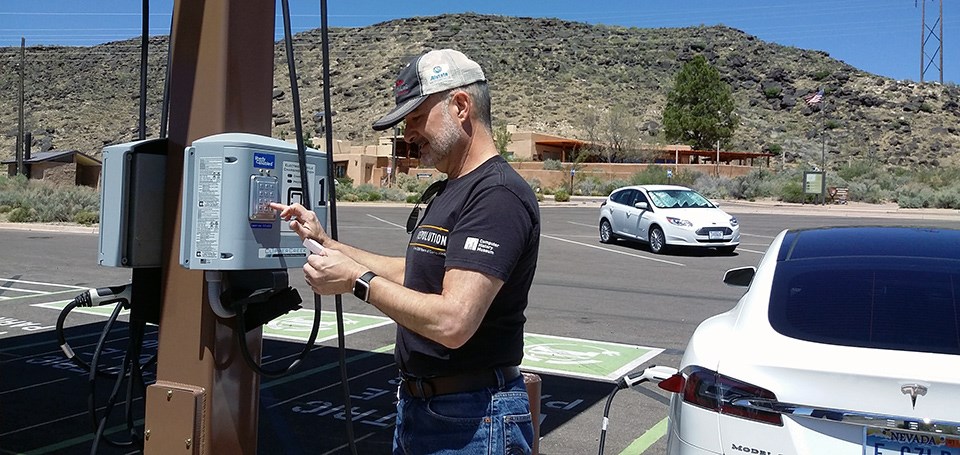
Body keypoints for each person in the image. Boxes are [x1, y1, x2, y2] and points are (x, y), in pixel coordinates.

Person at [271, 49, 540, 455]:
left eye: (416, 117)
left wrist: (356, 281)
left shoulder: (496, 195)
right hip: (429, 409)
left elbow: (454, 321)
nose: (408, 133)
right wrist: (327, 243)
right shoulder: (453, 188)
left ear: (461, 106)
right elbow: (416, 270)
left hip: (473, 419)